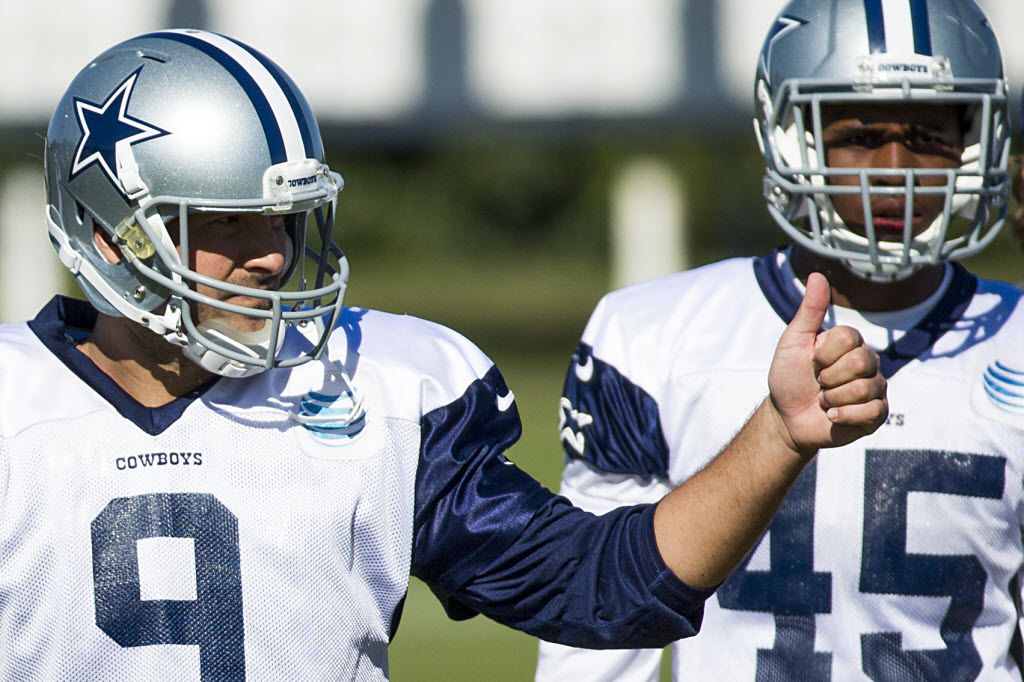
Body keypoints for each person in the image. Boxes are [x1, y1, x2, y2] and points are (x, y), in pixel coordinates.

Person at [0, 30, 886, 680]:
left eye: (282, 218)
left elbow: (607, 592)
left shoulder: (374, 389)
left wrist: (776, 435)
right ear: (110, 236)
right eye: (224, 222)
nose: (270, 253)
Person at [537, 0, 1022, 680]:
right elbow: (599, 636)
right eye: (858, 133)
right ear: (792, 135)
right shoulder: (652, 337)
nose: (893, 166)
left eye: (926, 134)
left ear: (977, 141)